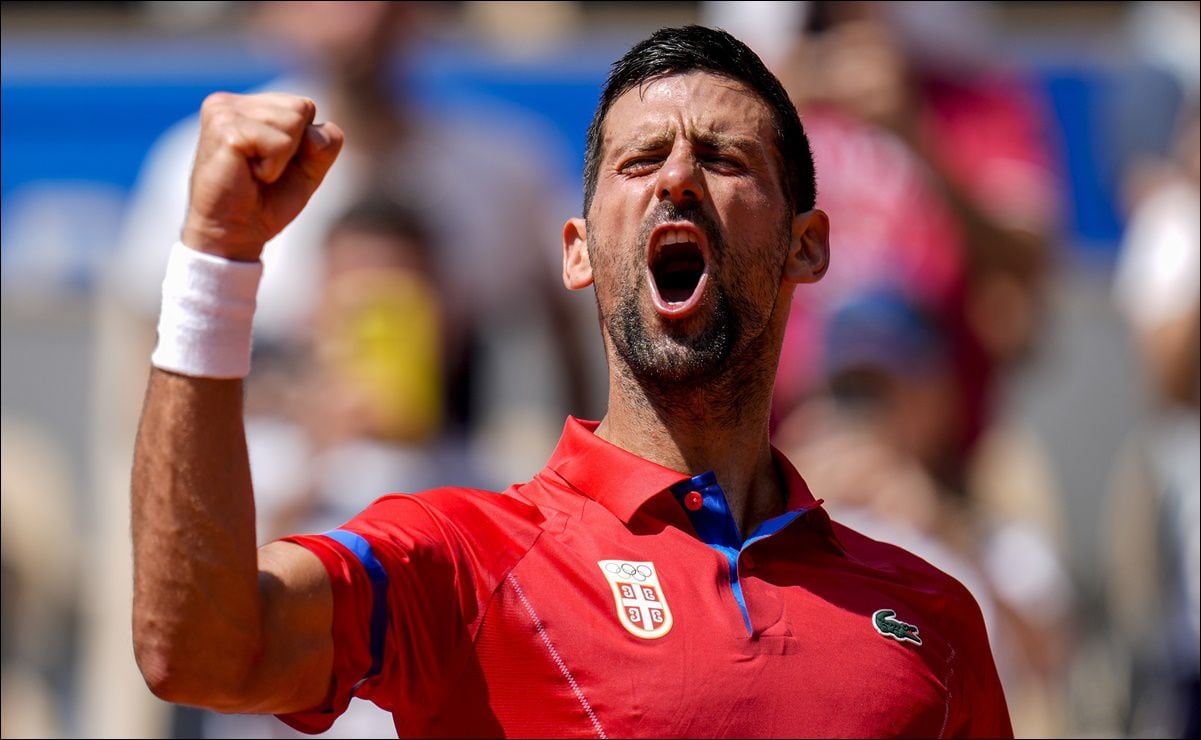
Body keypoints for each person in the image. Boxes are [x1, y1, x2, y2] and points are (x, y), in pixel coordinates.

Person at [130, 26, 1012, 737]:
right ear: (578, 252)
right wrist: (216, 258)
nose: (676, 177)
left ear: (805, 246)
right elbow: (199, 652)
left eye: (724, 159)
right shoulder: (457, 557)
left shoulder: (931, 617)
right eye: (639, 162)